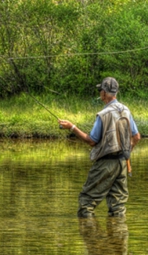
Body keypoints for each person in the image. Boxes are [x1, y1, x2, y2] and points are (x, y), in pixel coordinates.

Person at [58, 77, 141, 218]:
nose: (100, 93)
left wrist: (72, 127)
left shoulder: (103, 114)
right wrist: (127, 152)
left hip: (106, 162)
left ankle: (90, 235)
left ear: (103, 93)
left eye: (100, 90)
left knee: (87, 202)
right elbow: (137, 137)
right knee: (118, 206)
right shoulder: (126, 110)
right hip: (122, 163)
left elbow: (92, 141)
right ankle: (118, 238)